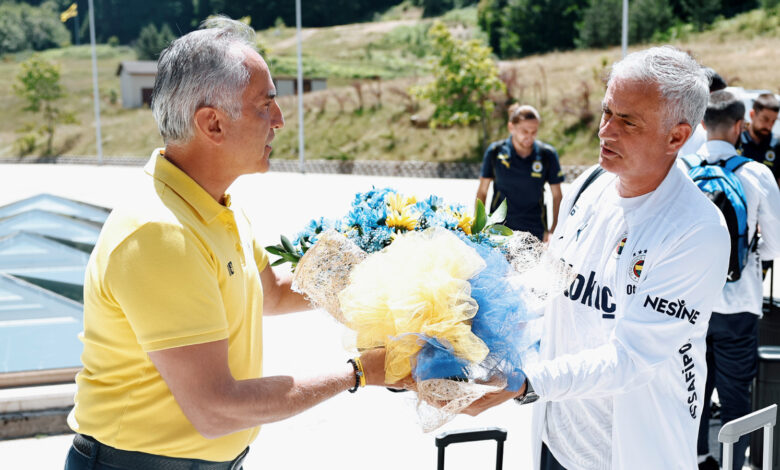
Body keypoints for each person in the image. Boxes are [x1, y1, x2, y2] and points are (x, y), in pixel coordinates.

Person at [64, 18, 401, 470]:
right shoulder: (160, 231)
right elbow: (215, 408)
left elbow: (273, 292)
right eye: (266, 105)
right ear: (213, 124)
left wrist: (384, 270)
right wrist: (361, 372)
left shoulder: (213, 203)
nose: (280, 121)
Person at [462, 46, 730, 470]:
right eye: (607, 111)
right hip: (555, 439)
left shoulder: (697, 230)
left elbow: (632, 359)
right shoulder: (591, 183)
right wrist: (466, 318)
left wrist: (527, 381)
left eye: (628, 121)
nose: (606, 132)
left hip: (628, 455)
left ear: (677, 136)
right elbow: (549, 286)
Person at [691, 91, 780, 470]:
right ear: (741, 126)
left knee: (692, 386)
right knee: (735, 393)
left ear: (701, 127)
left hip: (690, 303)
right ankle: (732, 462)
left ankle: (695, 458)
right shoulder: (756, 173)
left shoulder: (682, 170)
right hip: (739, 303)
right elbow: (775, 245)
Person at [476, 104, 564, 242]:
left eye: (534, 132)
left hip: (535, 233)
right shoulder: (495, 152)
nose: (529, 136)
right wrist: (478, 225)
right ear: (511, 127)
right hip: (498, 232)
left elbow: (557, 196)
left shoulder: (547, 155)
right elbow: (482, 191)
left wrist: (554, 230)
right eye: (525, 131)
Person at [678, 67, 728, 157]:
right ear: (709, 94)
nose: (723, 103)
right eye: (720, 97)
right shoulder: (704, 131)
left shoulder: (674, 121)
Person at [737, 93, 780, 186]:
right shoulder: (736, 139)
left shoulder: (777, 144)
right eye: (765, 119)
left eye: (773, 121)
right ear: (752, 114)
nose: (769, 126)